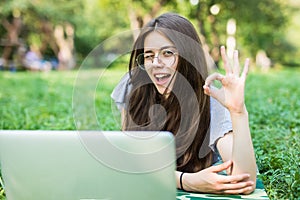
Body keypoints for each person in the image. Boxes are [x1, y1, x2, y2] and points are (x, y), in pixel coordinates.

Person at [111, 12, 256, 194]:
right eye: (149, 55)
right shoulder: (133, 86)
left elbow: (245, 181)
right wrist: (184, 181)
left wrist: (238, 112)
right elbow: (131, 161)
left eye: (167, 53)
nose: (156, 63)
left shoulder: (210, 99)